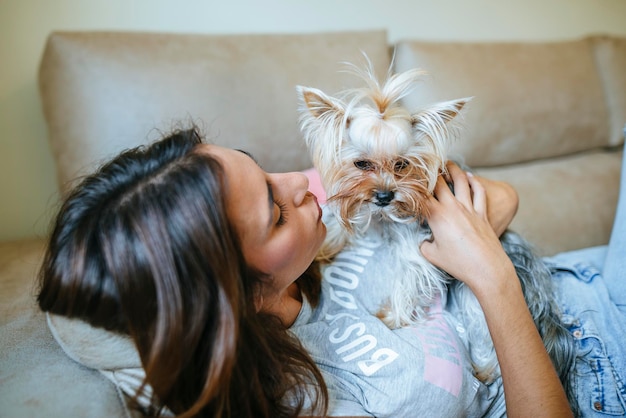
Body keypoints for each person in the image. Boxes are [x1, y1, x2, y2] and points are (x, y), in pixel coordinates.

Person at [37, 125, 625, 417]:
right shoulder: (314, 397)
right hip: (596, 370)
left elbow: (500, 199)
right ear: (230, 296)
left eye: (261, 169)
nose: (301, 182)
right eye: (273, 210)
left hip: (581, 276)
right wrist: (490, 277)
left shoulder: (316, 229)